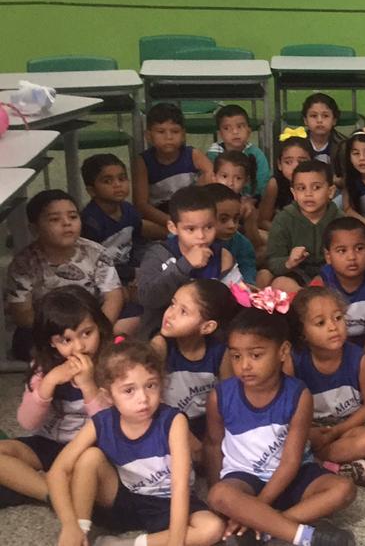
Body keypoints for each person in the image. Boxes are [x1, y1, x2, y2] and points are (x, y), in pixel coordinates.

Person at [47, 339, 224, 546]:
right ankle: (81, 535)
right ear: (109, 396)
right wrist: (70, 526)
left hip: (169, 502)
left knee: (212, 528)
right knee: (89, 458)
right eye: (129, 390)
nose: (143, 398)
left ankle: (123, 544)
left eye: (150, 385)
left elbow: (180, 486)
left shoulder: (173, 421)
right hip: (126, 498)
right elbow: (57, 471)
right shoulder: (102, 422)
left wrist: (176, 542)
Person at [205, 307, 357, 546]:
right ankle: (304, 536)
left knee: (343, 488)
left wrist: (259, 508)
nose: (244, 365)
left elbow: (290, 462)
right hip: (244, 480)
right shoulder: (220, 396)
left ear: (283, 351)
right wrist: (218, 506)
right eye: (236, 356)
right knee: (219, 495)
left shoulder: (299, 394)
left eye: (255, 355)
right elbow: (213, 446)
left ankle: (263, 528)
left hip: (292, 475)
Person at [0, 287, 111, 508]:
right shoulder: (43, 368)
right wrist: (48, 384)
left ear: (99, 326)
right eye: (65, 340)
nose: (79, 346)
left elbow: (109, 429)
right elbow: (27, 422)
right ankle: (52, 493)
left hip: (91, 448)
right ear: (52, 342)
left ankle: (39, 485)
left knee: (91, 474)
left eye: (86, 333)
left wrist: (89, 385)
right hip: (48, 443)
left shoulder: (112, 362)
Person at [6, 190, 125, 356]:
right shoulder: (24, 263)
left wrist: (97, 329)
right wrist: (63, 329)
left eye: (73, 217)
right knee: (25, 342)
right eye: (55, 219)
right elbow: (22, 313)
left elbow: (113, 296)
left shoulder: (96, 252)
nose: (67, 223)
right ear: (34, 228)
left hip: (91, 322)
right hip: (49, 328)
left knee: (131, 318)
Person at [289, 286, 365, 488]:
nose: (333, 327)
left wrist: (338, 431)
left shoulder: (359, 359)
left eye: (338, 318)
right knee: (287, 440)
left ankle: (317, 462)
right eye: (320, 323)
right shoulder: (295, 362)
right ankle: (333, 465)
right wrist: (307, 433)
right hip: (311, 430)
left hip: (349, 427)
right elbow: (285, 409)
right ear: (302, 332)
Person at [137, 186, 237, 337]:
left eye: (208, 227)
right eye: (191, 229)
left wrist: (247, 294)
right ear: (173, 227)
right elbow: (148, 297)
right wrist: (185, 265)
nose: (201, 236)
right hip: (162, 332)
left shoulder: (222, 257)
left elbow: (230, 303)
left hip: (209, 334)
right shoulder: (158, 254)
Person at [149, 279, 237, 447]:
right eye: (172, 304)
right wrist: (188, 438)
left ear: (207, 327)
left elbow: (228, 400)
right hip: (166, 421)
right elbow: (151, 399)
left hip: (206, 424)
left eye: (183, 311)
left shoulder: (219, 351)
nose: (170, 314)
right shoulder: (160, 345)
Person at [314, 218, 365, 376]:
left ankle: (353, 369)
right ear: (328, 256)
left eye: (359, 248)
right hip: (335, 344)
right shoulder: (323, 281)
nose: (352, 257)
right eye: (342, 251)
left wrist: (357, 358)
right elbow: (317, 330)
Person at [134, 103, 213, 237]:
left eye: (175, 131)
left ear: (183, 135)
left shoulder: (193, 155)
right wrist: (171, 221)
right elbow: (141, 204)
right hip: (162, 218)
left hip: (192, 211)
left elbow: (213, 178)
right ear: (148, 136)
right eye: (161, 132)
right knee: (140, 226)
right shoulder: (143, 162)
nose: (168, 137)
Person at [265, 160, 343, 291]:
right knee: (279, 283)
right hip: (296, 274)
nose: (308, 194)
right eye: (301, 188)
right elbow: (273, 261)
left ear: (331, 191)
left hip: (331, 274)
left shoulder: (340, 220)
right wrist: (289, 262)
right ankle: (305, 298)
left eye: (316, 187)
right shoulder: (283, 219)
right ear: (294, 193)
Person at [79, 153, 144, 286]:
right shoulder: (90, 222)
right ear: (91, 190)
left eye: (122, 178)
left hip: (129, 270)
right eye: (107, 181)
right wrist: (134, 273)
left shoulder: (130, 211)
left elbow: (138, 243)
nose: (117, 185)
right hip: (101, 279)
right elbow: (92, 264)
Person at [207, 104, 270, 201]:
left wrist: (251, 200)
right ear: (220, 134)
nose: (235, 132)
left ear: (249, 131)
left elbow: (263, 183)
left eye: (240, 126)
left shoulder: (256, 154)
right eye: (227, 128)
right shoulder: (213, 154)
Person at [208, 183, 259, 287]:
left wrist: (247, 284)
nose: (232, 225)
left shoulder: (242, 243)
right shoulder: (187, 241)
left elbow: (247, 269)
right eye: (223, 219)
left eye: (236, 219)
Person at [258, 136, 312, 234]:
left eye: (302, 162)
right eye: (288, 162)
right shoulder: (274, 184)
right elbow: (262, 221)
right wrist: (286, 233)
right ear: (279, 164)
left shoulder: (316, 184)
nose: (295, 166)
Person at [301, 92, 344, 165]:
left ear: (334, 120)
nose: (319, 120)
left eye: (325, 116)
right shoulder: (297, 144)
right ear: (305, 120)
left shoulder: (343, 145)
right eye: (313, 116)